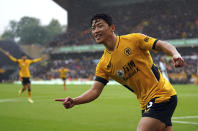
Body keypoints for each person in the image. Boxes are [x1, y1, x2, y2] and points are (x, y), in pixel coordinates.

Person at [55, 14, 184, 131]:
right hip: (145, 104)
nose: (96, 30)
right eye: (93, 28)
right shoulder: (103, 64)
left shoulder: (134, 39)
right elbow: (94, 90)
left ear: (112, 28)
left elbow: (161, 44)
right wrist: (75, 101)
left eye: (100, 26)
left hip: (161, 95)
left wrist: (175, 54)